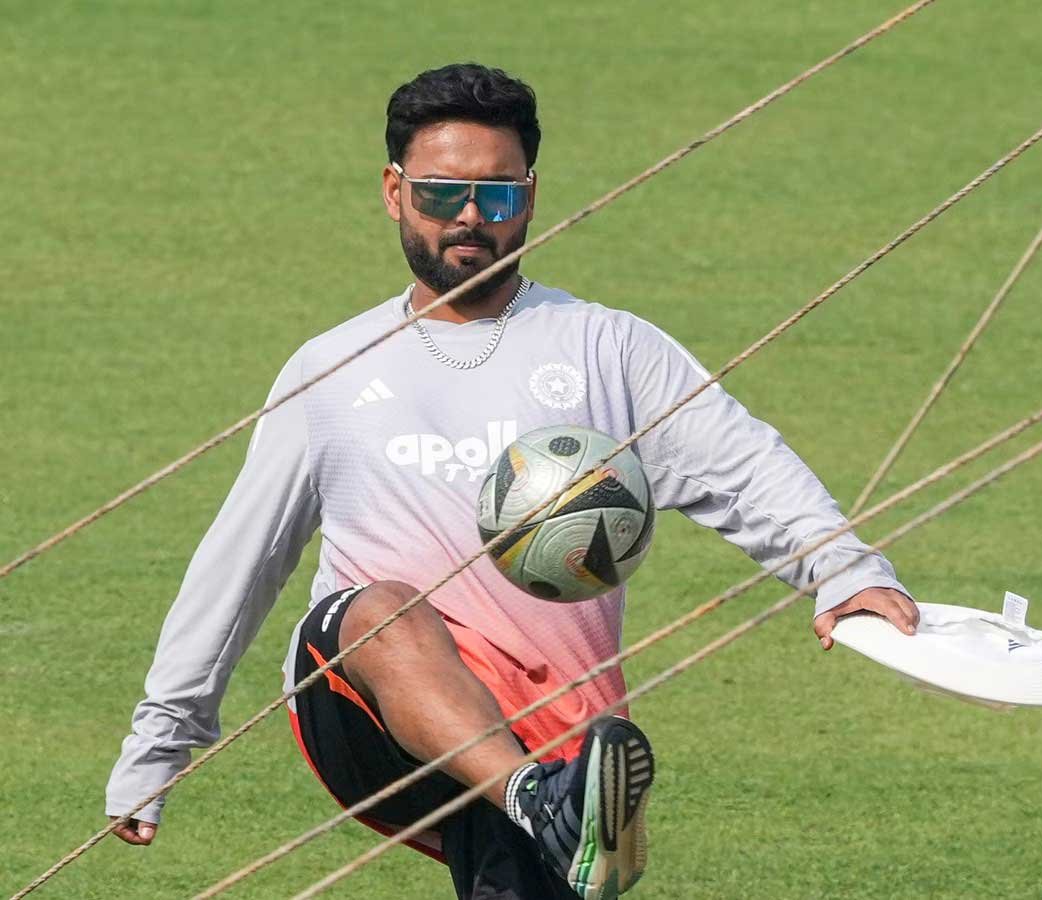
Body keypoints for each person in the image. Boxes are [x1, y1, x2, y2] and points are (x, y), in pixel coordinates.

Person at [106, 63, 919, 899]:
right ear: (393, 192)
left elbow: (744, 468)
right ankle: (537, 799)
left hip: (558, 735)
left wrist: (843, 569)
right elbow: (242, 560)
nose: (469, 217)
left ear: (529, 197)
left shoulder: (608, 348)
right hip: (362, 703)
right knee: (381, 611)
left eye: (495, 197)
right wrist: (158, 745)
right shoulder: (331, 369)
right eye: (440, 193)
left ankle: (549, 806)